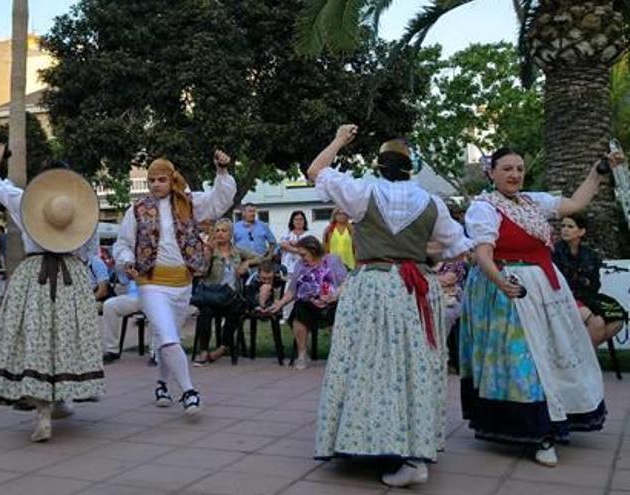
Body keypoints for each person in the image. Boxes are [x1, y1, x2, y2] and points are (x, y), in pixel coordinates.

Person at [307, 126, 472, 487]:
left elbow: (316, 171)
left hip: (372, 285)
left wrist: (337, 140)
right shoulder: (432, 202)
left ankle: (368, 439)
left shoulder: (364, 191)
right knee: (411, 367)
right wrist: (424, 253)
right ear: (410, 168)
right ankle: (412, 450)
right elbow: (459, 247)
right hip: (414, 288)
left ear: (379, 166)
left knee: (366, 362)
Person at [460, 147, 618, 467]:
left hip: (545, 288)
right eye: (507, 169)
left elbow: (574, 204)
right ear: (491, 173)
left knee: (550, 353)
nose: (515, 174)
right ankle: (538, 432)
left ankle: (555, 417)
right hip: (509, 290)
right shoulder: (484, 208)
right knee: (525, 359)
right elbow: (483, 254)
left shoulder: (533, 202)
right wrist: (501, 282)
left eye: (519, 168)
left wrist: (597, 172)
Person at [0, 143, 104, 442]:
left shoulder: (24, 200)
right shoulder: (84, 211)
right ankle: (60, 399)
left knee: (35, 340)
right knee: (64, 339)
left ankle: (44, 413)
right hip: (71, 279)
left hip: (32, 277)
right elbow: (91, 253)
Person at [114, 150, 236, 415]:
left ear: (171, 179)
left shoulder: (189, 203)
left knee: (165, 336)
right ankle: (189, 392)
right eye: (151, 180)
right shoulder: (136, 210)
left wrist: (222, 172)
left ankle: (161, 383)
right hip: (151, 282)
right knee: (169, 336)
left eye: (161, 179)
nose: (156, 184)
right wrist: (126, 260)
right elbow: (123, 243)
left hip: (182, 284)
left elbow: (220, 201)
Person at [265, 236, 346, 370]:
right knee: (299, 310)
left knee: (337, 312)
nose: (301, 257)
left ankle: (338, 355)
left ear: (313, 250)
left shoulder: (332, 260)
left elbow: (345, 282)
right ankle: (302, 354)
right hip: (308, 304)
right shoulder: (300, 265)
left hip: (331, 301)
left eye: (303, 254)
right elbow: (292, 290)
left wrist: (333, 295)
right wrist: (280, 303)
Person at [192, 218, 260, 366]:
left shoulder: (237, 251)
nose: (220, 234)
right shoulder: (209, 250)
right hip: (212, 294)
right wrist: (208, 253)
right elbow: (200, 272)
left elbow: (260, 258)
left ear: (231, 233)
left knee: (236, 308)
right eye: (217, 230)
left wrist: (246, 263)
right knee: (206, 311)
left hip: (231, 296)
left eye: (224, 230)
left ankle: (223, 347)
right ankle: (203, 350)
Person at [553, 214, 626, 346]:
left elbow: (595, 284)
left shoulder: (590, 254)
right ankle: (583, 360)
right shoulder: (554, 252)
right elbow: (557, 283)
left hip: (587, 298)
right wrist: (581, 282)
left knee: (617, 321)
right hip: (563, 298)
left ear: (581, 231)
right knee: (597, 323)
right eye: (563, 226)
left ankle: (581, 355)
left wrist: (585, 286)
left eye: (570, 226)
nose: (565, 230)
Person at [101, 270, 141, 364]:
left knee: (155, 308)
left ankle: (156, 352)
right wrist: (126, 272)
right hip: (134, 296)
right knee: (109, 305)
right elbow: (123, 280)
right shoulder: (130, 258)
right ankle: (112, 350)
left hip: (153, 295)